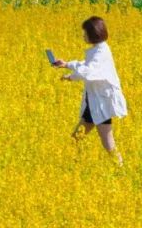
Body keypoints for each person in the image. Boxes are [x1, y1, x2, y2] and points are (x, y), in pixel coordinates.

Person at [51, 16, 127, 165]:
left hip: (101, 105)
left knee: (108, 142)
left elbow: (88, 71)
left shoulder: (102, 52)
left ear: (94, 34)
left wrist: (71, 77)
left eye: (85, 33)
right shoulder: (98, 50)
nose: (83, 35)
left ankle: (120, 168)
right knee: (77, 138)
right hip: (94, 104)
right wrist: (67, 64)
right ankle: (74, 166)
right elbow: (86, 65)